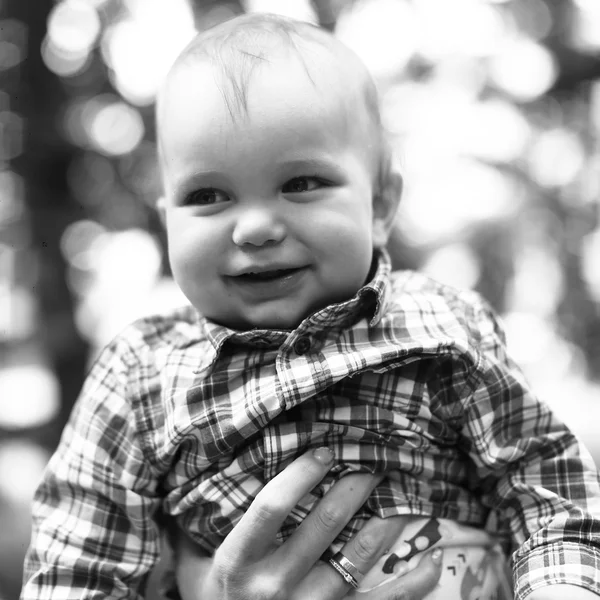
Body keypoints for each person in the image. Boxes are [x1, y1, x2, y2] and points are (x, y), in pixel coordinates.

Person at [21, 11, 600, 600]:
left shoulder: (440, 326)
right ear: (168, 219)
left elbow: (544, 484)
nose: (254, 227)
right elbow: (79, 566)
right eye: (207, 195)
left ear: (379, 206)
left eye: (300, 183)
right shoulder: (140, 375)